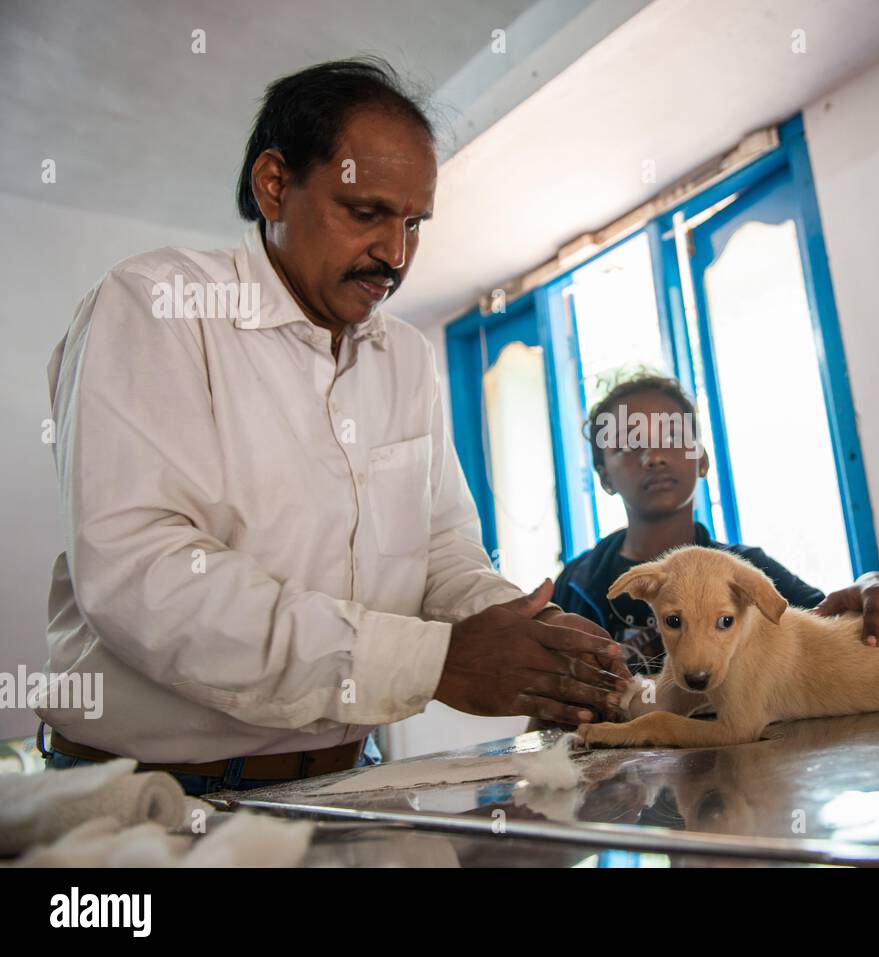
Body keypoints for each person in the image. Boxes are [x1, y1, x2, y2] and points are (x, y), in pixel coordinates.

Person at [38, 57, 629, 798]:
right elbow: (144, 576)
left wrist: (525, 640)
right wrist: (435, 662)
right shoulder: (158, 306)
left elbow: (441, 551)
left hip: (353, 786)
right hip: (152, 799)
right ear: (274, 184)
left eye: (413, 222)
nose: (397, 254)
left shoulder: (406, 359)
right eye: (366, 212)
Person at [554, 373, 879, 675]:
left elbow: (827, 628)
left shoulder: (748, 572)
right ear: (604, 476)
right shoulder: (575, 584)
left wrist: (873, 582)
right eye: (628, 444)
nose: (654, 457)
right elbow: (545, 705)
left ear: (702, 459)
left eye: (671, 435)